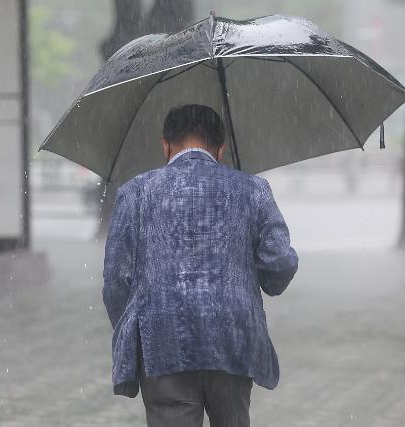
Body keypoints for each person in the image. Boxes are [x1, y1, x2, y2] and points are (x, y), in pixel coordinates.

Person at [103, 104, 298, 427]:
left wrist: (137, 332)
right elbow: (278, 265)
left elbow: (115, 281)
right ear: (220, 150)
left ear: (165, 145)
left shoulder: (136, 193)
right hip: (233, 339)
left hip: (163, 340)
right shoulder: (253, 190)